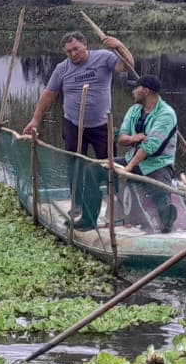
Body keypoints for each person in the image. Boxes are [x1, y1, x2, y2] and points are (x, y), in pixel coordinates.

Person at [23, 30, 135, 230]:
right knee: (75, 164)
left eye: (76, 49)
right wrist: (35, 120)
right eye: (69, 51)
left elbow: (127, 66)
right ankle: (78, 204)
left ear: (85, 45)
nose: (73, 54)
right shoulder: (62, 69)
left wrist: (119, 46)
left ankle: (116, 204)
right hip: (74, 124)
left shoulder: (104, 58)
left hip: (102, 124)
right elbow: (48, 94)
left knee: (110, 165)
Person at [114, 74, 179, 232]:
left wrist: (127, 169)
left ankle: (166, 222)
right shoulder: (134, 110)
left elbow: (149, 147)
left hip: (157, 165)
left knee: (160, 191)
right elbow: (121, 138)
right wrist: (133, 138)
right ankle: (88, 215)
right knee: (93, 170)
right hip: (133, 160)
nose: (133, 92)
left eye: (135, 88)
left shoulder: (166, 114)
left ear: (145, 91)